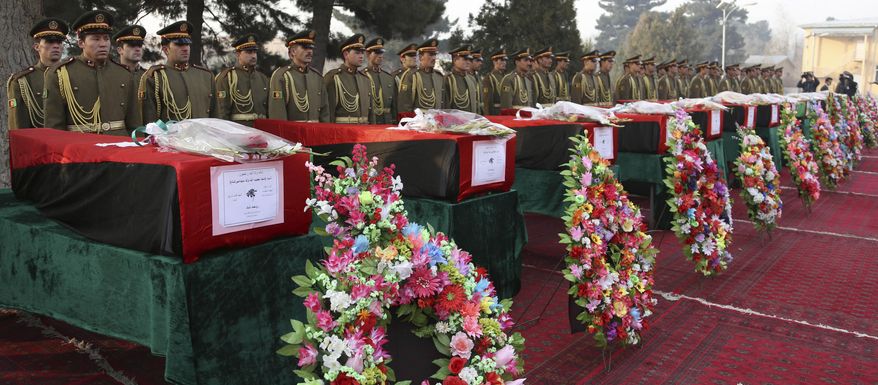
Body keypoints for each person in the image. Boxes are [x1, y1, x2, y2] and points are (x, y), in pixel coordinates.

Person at [44, 11, 139, 134]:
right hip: (80, 148)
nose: (103, 44)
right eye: (96, 39)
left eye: (106, 39)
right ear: (81, 43)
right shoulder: (60, 74)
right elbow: (54, 128)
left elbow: (135, 124)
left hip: (120, 146)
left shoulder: (124, 74)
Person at [139, 21, 216, 122]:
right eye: (179, 45)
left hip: (202, 136)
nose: (185, 49)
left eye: (187, 44)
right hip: (170, 137)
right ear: (166, 50)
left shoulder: (206, 76)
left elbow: (215, 116)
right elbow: (150, 122)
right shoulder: (155, 77)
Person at [7, 18, 68, 129]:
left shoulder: (70, 75)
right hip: (40, 141)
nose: (56, 46)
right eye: (49, 42)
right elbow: (19, 124)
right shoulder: (23, 81)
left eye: (59, 42)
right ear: (37, 47)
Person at [268, 30, 329, 122]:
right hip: (292, 134)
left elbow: (324, 113)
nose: (309, 51)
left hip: (316, 133)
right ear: (293, 52)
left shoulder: (317, 77)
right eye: (305, 48)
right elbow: (278, 114)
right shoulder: (282, 76)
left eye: (311, 48)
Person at [214, 34, 269, 126]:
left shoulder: (262, 78)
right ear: (238, 54)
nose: (253, 56)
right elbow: (222, 112)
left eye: (255, 52)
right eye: (249, 52)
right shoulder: (227, 77)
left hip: (261, 131)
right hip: (238, 132)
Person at [324, 33, 373, 124]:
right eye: (357, 53)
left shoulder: (365, 79)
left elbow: (371, 114)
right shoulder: (333, 77)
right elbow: (328, 113)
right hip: (343, 133)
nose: (361, 56)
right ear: (346, 54)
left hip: (364, 133)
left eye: (362, 52)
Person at [397, 38, 444, 112]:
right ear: (421, 57)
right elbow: (405, 106)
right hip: (419, 122)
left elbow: (444, 104)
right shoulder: (412, 75)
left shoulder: (439, 76)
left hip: (438, 121)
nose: (434, 58)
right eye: (430, 55)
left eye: (435, 54)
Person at [362, 37, 396, 124]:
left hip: (387, 123)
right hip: (369, 123)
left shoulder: (388, 77)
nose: (380, 56)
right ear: (368, 54)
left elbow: (394, 105)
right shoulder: (361, 76)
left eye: (381, 52)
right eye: (376, 53)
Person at [444, 45, 480, 113]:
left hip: (472, 121)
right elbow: (446, 107)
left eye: (470, 59)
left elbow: (476, 104)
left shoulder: (472, 79)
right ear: (455, 60)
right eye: (465, 59)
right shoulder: (448, 80)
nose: (468, 62)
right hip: (455, 122)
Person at [482, 48, 507, 115]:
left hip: (506, 112)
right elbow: (487, 101)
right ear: (494, 62)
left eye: (505, 60)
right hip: (496, 113)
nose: (504, 62)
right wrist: (488, 117)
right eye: (501, 60)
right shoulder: (489, 78)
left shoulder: (505, 77)